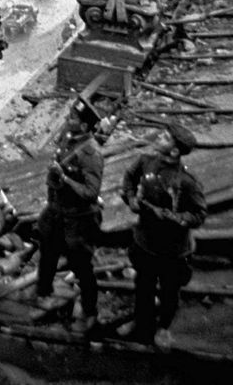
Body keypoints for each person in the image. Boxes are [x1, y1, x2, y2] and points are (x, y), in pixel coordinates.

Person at [118, 123, 207, 351]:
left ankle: (164, 328)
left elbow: (199, 213)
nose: (159, 137)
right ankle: (141, 322)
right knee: (143, 286)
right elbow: (128, 179)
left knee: (169, 291)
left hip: (173, 249)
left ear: (175, 151)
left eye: (166, 137)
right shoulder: (145, 161)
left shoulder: (186, 181)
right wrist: (131, 199)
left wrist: (178, 219)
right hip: (146, 241)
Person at [36, 99, 104, 334]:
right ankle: (43, 294)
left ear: (85, 127)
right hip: (56, 212)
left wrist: (65, 180)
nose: (68, 120)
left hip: (78, 220)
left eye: (74, 119)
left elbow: (91, 193)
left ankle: (90, 312)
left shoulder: (91, 153)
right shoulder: (68, 137)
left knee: (81, 266)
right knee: (47, 254)